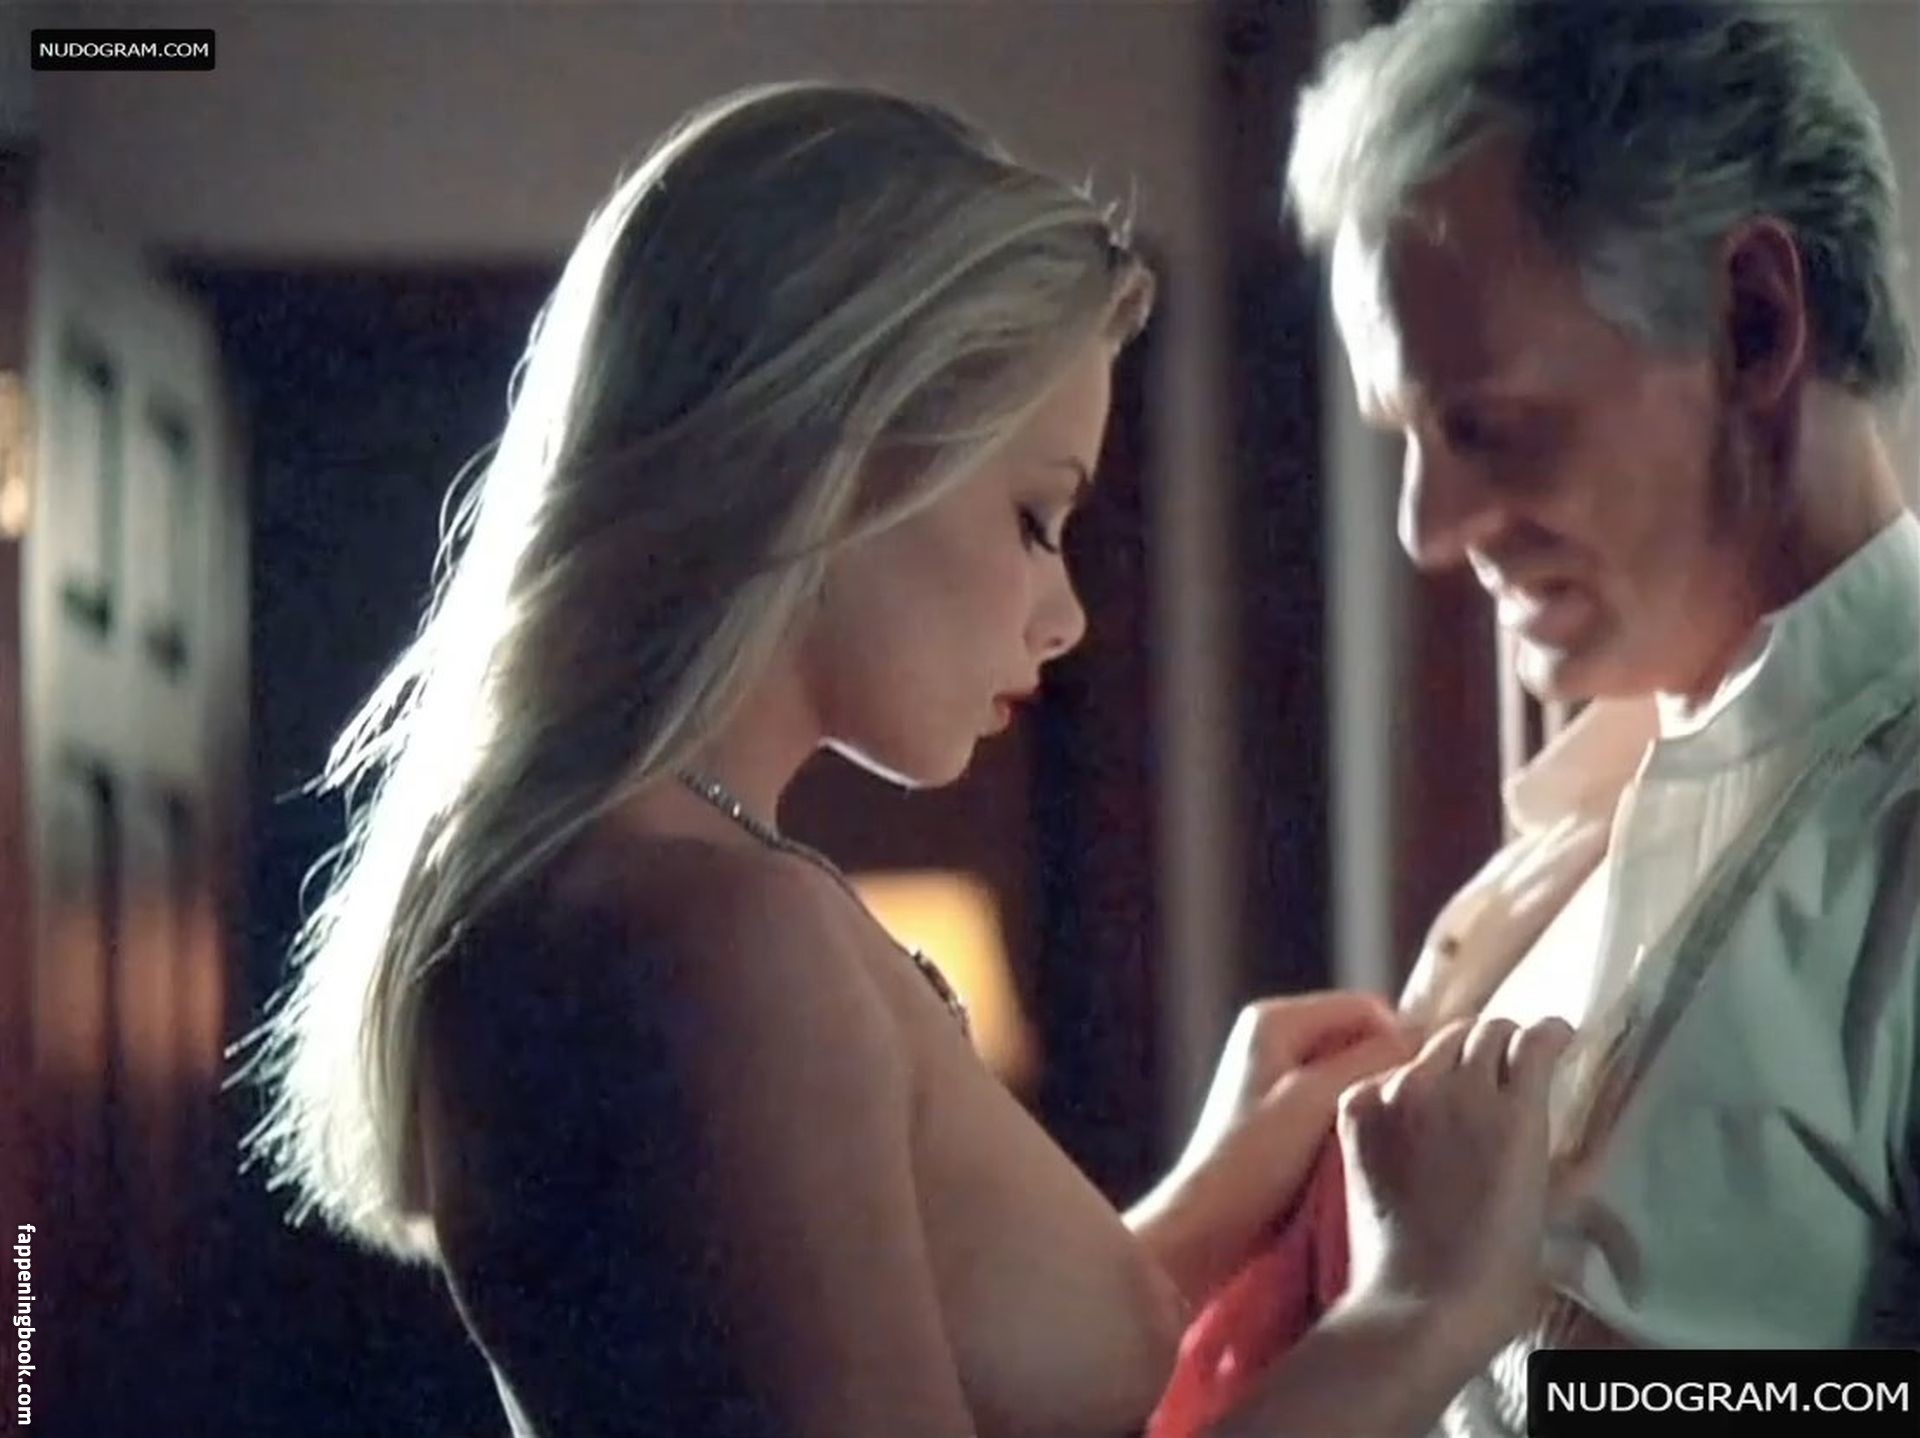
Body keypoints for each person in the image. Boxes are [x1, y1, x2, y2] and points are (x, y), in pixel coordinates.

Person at [240, 81, 1571, 1438]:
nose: (1065, 615)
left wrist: (1209, 1199)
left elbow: (912, 1369)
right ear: (832, 447)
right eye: (1035, 518)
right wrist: (1420, 1313)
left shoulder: (649, 882)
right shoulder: (718, 940)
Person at [1160, 4, 1920, 1435]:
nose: (1426, 529)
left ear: (1754, 321)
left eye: (1488, 426)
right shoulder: (1568, 830)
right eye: (1408, 438)